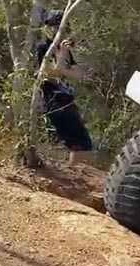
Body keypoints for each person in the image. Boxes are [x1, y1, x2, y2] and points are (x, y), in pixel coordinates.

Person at [34, 9, 93, 165]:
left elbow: (79, 75)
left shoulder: (64, 49)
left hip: (64, 97)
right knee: (70, 142)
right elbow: (48, 74)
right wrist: (61, 62)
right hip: (50, 98)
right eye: (54, 26)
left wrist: (67, 58)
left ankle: (74, 172)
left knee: (81, 143)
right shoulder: (43, 48)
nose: (58, 31)